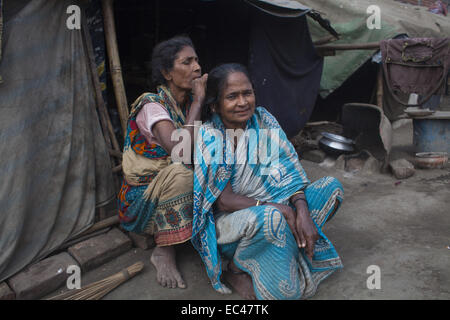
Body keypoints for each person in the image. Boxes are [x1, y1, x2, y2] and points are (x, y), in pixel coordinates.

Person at [192, 63, 344, 300]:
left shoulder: (263, 121)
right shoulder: (211, 136)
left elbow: (289, 174)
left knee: (331, 188)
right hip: (234, 223)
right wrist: (281, 209)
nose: (243, 102)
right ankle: (236, 266)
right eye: (232, 96)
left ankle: (287, 243)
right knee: (285, 288)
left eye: (247, 93)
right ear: (215, 105)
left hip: (276, 207)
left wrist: (301, 211)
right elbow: (225, 201)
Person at [118, 36, 207, 289]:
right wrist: (200, 101)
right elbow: (179, 150)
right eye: (187, 62)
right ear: (167, 72)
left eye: (197, 60)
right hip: (141, 202)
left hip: (166, 193)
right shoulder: (152, 105)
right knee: (183, 173)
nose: (197, 67)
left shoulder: (187, 105)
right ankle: (164, 250)